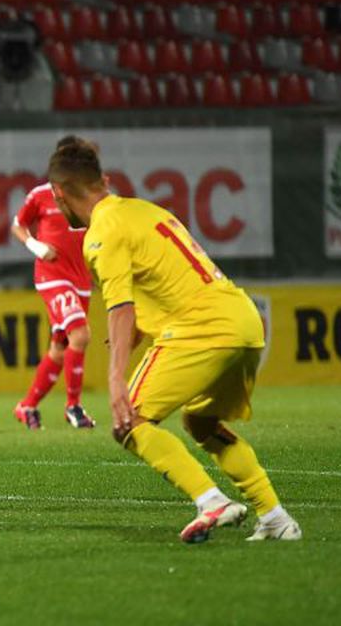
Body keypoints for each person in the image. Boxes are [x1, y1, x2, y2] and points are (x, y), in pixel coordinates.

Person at [46, 138, 301, 544]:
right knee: (200, 422)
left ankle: (211, 501)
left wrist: (115, 380)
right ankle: (275, 517)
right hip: (246, 323)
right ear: (104, 180)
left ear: (58, 193)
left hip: (200, 329)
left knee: (130, 422)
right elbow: (150, 300)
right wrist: (126, 349)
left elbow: (121, 307)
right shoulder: (145, 212)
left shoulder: (101, 234)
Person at [10, 135, 95, 431]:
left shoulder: (87, 195)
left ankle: (27, 406)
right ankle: (73, 407)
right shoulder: (41, 195)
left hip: (81, 278)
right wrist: (35, 246)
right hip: (52, 275)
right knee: (80, 334)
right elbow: (17, 224)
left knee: (60, 348)